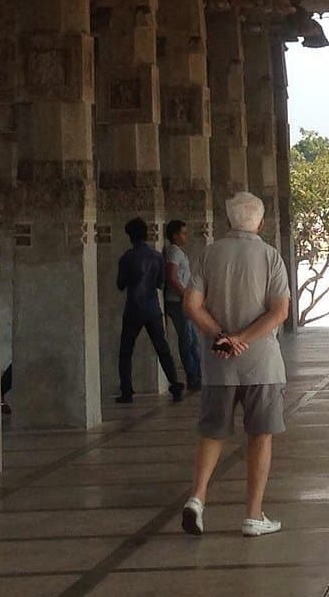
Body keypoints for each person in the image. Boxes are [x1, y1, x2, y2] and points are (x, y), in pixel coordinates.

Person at [180, 190, 293, 538]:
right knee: (260, 435)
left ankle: (197, 498)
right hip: (262, 365)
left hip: (219, 363)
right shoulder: (270, 257)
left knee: (212, 432)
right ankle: (253, 515)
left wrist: (223, 336)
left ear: (229, 220)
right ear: (259, 222)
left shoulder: (208, 255)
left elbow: (191, 305)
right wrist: (244, 338)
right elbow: (279, 310)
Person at [113, 216, 184, 404]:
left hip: (133, 308)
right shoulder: (157, 256)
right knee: (162, 347)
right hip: (152, 307)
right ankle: (175, 384)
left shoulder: (126, 258)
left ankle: (127, 390)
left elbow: (120, 284)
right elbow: (161, 283)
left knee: (126, 351)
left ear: (130, 236)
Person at [162, 218, 203, 393]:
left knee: (192, 339)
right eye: (183, 233)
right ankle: (193, 377)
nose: (185, 236)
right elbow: (172, 277)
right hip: (178, 302)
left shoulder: (177, 251)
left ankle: (199, 375)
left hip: (182, 301)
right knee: (187, 340)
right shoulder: (174, 252)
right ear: (174, 235)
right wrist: (184, 295)